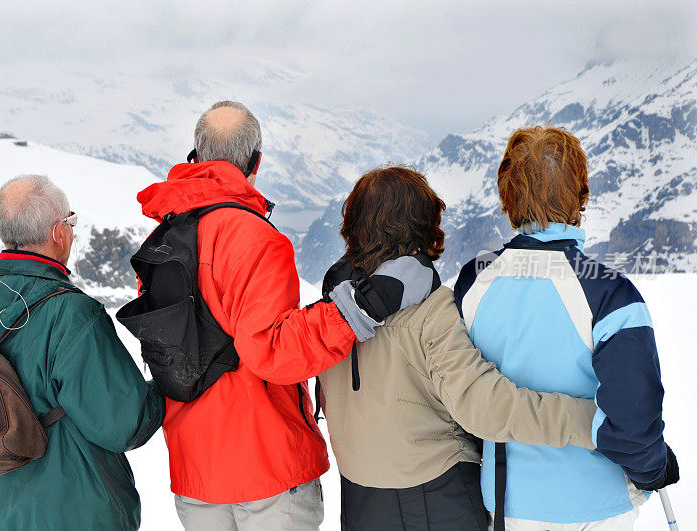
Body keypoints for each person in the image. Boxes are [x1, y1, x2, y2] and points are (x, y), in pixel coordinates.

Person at [133, 101, 434, 531]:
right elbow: (270, 351)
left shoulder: (163, 237)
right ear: (256, 162)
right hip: (266, 471)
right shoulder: (254, 236)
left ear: (194, 158)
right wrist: (358, 308)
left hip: (195, 474)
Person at [317, 165, 599, 531]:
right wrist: (593, 420)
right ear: (425, 225)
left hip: (360, 504)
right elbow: (489, 409)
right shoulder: (431, 311)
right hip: (436, 499)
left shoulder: (330, 313)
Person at [454, 126, 679, 530]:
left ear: (509, 198)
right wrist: (654, 469)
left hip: (508, 502)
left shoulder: (473, 281)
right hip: (598, 504)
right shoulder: (610, 293)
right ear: (580, 196)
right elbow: (634, 421)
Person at [0, 175, 164, 531]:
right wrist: (166, 383)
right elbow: (122, 424)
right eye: (71, 221)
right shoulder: (71, 315)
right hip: (81, 512)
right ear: (59, 233)